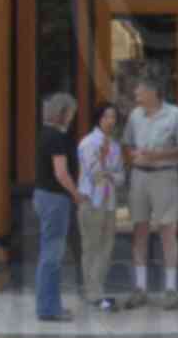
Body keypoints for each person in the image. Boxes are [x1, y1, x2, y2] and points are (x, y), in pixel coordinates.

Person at [123, 75, 178, 308]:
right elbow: (128, 143)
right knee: (139, 230)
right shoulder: (134, 115)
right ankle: (140, 288)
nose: (136, 96)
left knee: (167, 231)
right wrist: (133, 154)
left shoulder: (175, 114)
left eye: (139, 92)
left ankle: (171, 290)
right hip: (139, 176)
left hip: (165, 176)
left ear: (153, 93)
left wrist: (157, 155)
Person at [31, 90, 78, 323]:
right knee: (52, 254)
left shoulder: (45, 134)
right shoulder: (56, 137)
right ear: (63, 113)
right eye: (70, 112)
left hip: (42, 195)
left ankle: (50, 305)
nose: (72, 116)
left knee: (49, 252)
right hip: (55, 198)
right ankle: (49, 308)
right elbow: (61, 173)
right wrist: (76, 193)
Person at [75, 100, 125, 312]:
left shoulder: (115, 145)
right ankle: (92, 293)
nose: (110, 121)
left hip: (110, 203)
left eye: (113, 117)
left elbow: (121, 176)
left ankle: (98, 290)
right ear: (98, 118)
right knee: (91, 248)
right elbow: (95, 174)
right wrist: (107, 169)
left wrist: (110, 174)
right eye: (106, 116)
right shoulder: (88, 143)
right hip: (92, 201)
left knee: (106, 247)